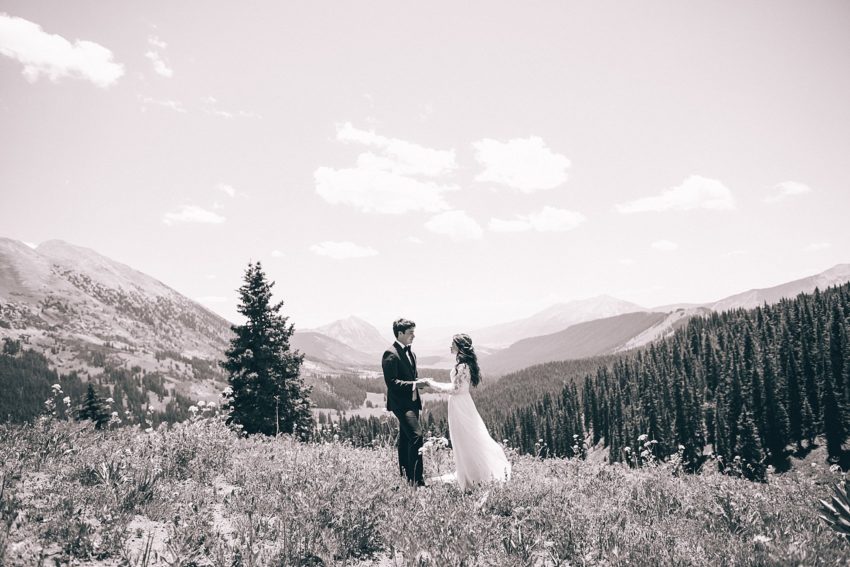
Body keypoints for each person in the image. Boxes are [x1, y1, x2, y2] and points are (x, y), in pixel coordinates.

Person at [423, 333, 511, 490]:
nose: (450, 346)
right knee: (465, 439)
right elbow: (457, 386)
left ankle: (474, 478)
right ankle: (471, 473)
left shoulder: (462, 366)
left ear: (459, 347)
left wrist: (431, 384)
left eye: (453, 343)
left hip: (460, 405)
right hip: (462, 403)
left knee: (465, 439)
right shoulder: (465, 365)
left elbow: (455, 389)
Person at [382, 318, 429, 487]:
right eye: (410, 333)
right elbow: (392, 383)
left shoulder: (411, 353)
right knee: (416, 436)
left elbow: (410, 377)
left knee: (405, 440)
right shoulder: (390, 354)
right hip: (401, 404)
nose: (414, 336)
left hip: (413, 403)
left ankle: (404, 477)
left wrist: (420, 382)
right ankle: (417, 480)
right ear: (400, 333)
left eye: (414, 332)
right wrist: (415, 384)